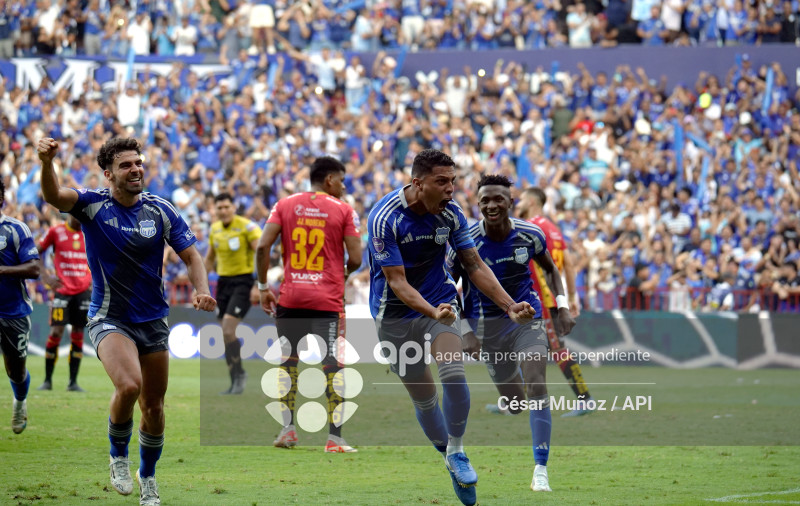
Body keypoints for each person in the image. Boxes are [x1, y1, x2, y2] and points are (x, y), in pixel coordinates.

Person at [38, 137, 216, 506]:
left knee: (154, 407)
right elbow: (55, 197)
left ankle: (147, 477)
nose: (136, 169)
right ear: (108, 174)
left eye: (138, 163)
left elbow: (191, 255)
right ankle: (117, 455)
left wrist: (201, 289)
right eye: (126, 165)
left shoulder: (161, 210)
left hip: (153, 319)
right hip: (109, 317)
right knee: (129, 386)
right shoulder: (91, 205)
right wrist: (46, 163)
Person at [366, 149, 536, 506]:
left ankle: (458, 451)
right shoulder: (384, 218)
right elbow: (396, 282)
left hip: (441, 303)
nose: (451, 189)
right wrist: (431, 311)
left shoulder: (452, 214)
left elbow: (474, 266)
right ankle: (447, 456)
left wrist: (510, 305)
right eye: (442, 182)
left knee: (454, 376)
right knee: (425, 399)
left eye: (453, 181)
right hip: (394, 317)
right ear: (418, 183)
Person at [451, 175, 576, 493]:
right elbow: (446, 286)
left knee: (536, 381)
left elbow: (550, 268)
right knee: (516, 401)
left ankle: (540, 469)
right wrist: (465, 330)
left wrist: (561, 306)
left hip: (526, 319)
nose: (491, 205)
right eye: (484, 201)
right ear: (477, 204)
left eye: (498, 199)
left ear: (510, 202)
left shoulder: (530, 234)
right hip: (486, 329)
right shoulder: (466, 242)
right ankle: (512, 400)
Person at [256, 156, 362, 453]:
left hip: (291, 298)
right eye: (341, 180)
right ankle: (335, 438)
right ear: (329, 180)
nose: (343, 186)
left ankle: (287, 430)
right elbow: (355, 258)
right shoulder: (343, 210)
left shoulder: (284, 205)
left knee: (289, 363)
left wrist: (264, 286)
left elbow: (263, 246)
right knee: (333, 366)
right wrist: (340, 274)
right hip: (326, 301)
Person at [516, 187, 596, 417]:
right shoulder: (554, 229)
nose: (518, 203)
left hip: (542, 299)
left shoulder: (529, 226)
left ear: (531, 201)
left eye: (521, 199)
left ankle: (585, 399)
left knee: (557, 349)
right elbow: (568, 265)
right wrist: (571, 297)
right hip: (549, 297)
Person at [205, 193, 262, 395]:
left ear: (233, 207)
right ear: (215, 210)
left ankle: (239, 375)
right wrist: (201, 286)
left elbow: (260, 253)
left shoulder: (247, 227)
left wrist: (258, 284)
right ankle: (235, 379)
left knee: (228, 331)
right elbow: (210, 258)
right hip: (223, 284)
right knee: (225, 333)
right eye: (219, 208)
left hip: (244, 282)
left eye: (226, 207)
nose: (223, 211)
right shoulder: (214, 229)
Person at [0, 177, 41, 434]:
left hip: (12, 311)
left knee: (16, 369)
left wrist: (2, 269)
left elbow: (35, 268)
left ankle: (20, 401)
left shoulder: (16, 229)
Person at [36, 213, 92, 392]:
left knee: (78, 332)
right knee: (56, 331)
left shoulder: (89, 232)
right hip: (62, 291)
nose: (80, 220)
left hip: (83, 291)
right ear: (69, 214)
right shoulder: (56, 231)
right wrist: (46, 277)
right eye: (77, 216)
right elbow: (35, 252)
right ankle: (47, 380)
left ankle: (73, 382)